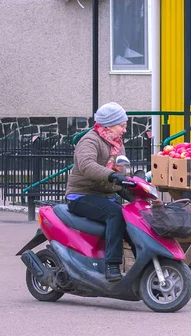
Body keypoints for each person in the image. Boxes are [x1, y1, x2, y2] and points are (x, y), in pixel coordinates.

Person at [65, 102, 130, 282]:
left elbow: (121, 172)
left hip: (105, 195)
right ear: (109, 124)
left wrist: (133, 187)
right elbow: (87, 166)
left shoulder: (117, 144)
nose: (125, 130)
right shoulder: (90, 140)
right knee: (116, 214)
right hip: (81, 195)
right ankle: (112, 265)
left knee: (133, 215)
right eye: (122, 126)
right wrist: (112, 176)